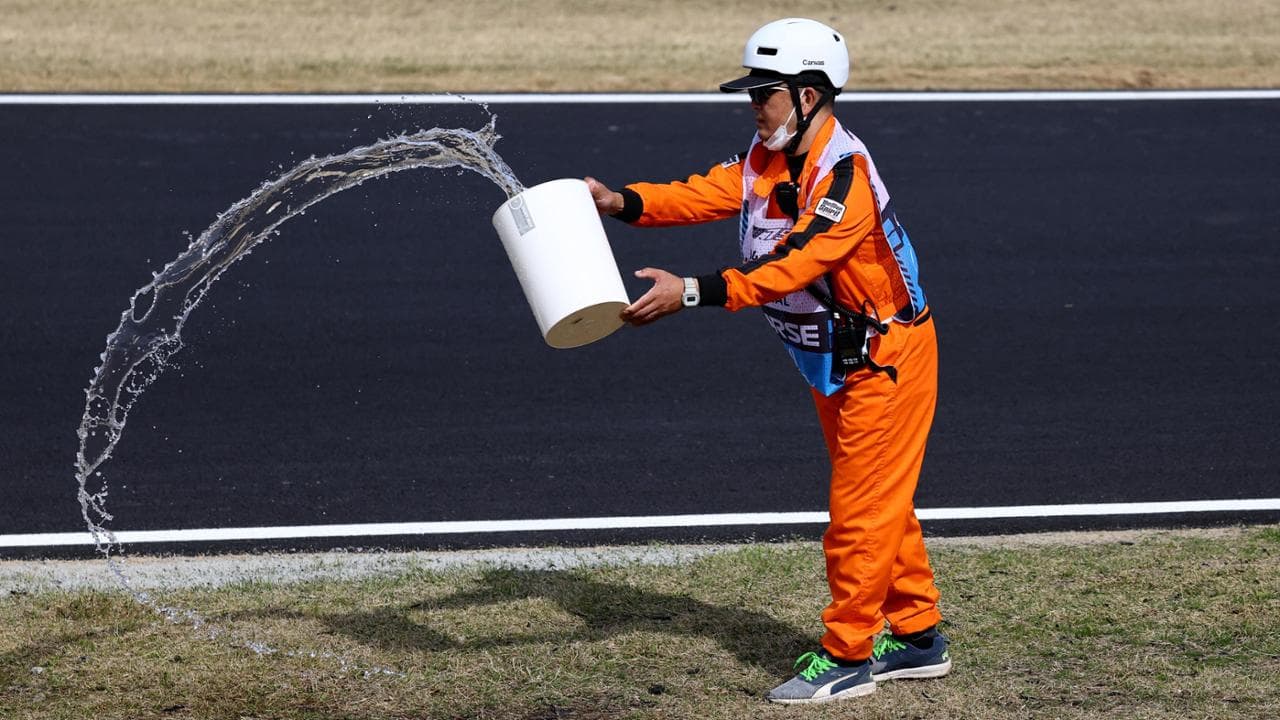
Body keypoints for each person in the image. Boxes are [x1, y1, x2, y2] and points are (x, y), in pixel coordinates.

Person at [585, 17, 951, 705]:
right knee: (877, 498)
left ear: (809, 96)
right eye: (752, 92)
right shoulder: (770, 158)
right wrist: (621, 203)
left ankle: (848, 655)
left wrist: (690, 292)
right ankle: (920, 633)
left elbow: (790, 267)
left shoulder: (844, 180)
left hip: (885, 361)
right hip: (839, 362)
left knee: (859, 513)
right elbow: (707, 192)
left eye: (766, 93)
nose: (754, 105)